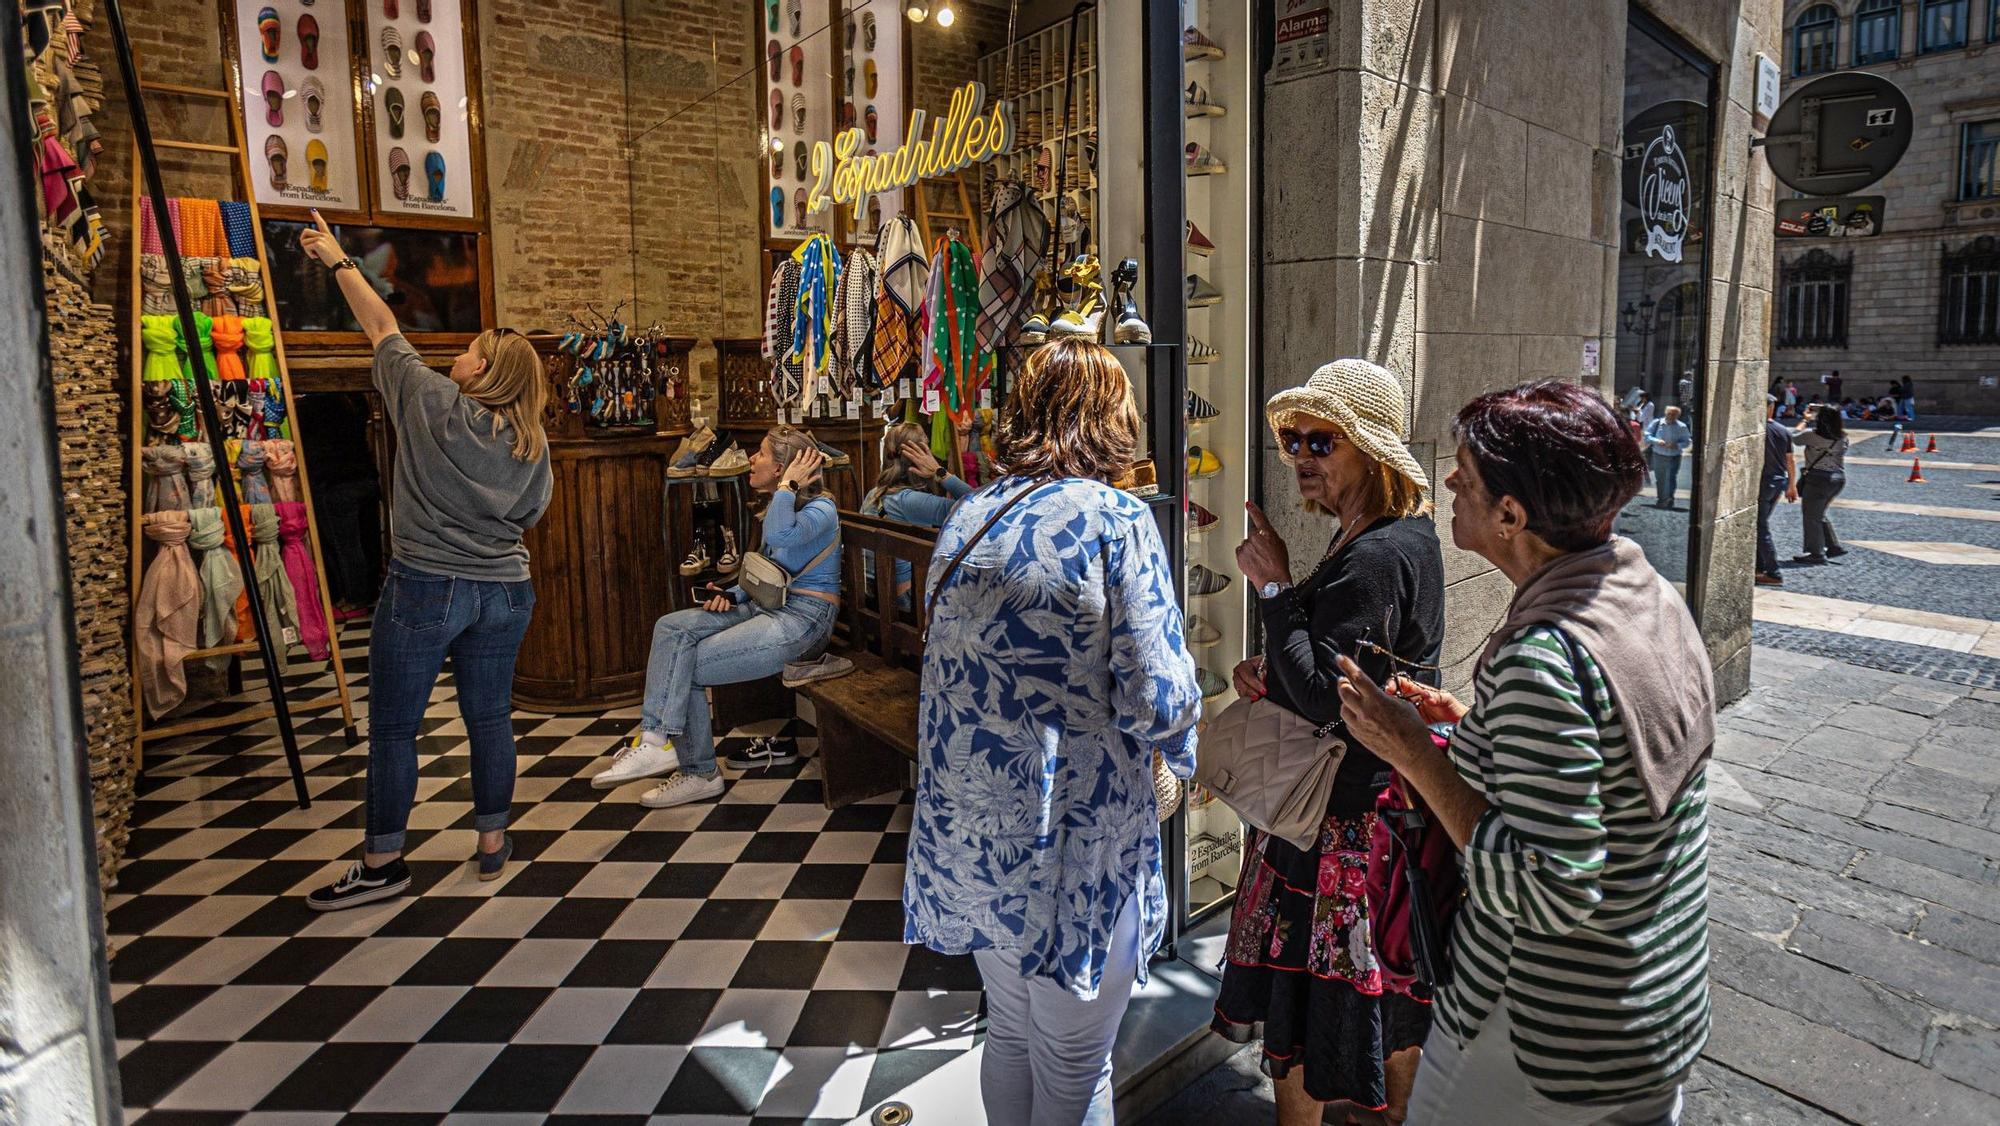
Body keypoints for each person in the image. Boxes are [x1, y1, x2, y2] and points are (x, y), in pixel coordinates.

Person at [1336, 380, 1715, 1125]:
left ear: (1511, 515)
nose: (1447, 480)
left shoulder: (1544, 657)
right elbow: (1603, 769)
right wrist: (1473, 732)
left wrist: (1415, 753)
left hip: (1546, 1037)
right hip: (1652, 1004)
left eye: (1467, 477)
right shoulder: (1643, 591)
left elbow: (1551, 888)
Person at [904, 339, 1203, 1126]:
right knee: (1075, 1063)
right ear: (1110, 419)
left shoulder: (972, 512)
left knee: (1007, 1031)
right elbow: (1161, 695)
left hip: (973, 830)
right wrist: (1181, 762)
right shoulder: (1116, 520)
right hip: (1073, 840)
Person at [1209, 359, 1444, 1126]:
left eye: (1321, 442)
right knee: (1380, 1009)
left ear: (1370, 452)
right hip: (1370, 816)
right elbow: (1339, 667)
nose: (1302, 458)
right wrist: (1272, 665)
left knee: (1313, 1025)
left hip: (1339, 830)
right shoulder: (1390, 536)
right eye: (1293, 442)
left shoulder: (1375, 555)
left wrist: (1275, 589)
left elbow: (1329, 696)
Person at [296, 212, 553, 910]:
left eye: (469, 350)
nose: (458, 356)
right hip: (505, 592)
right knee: (491, 719)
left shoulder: (428, 400)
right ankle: (494, 843)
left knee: (394, 729)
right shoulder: (532, 441)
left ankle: (383, 865)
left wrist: (336, 259)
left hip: (426, 587)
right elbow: (530, 516)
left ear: (485, 370)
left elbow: (382, 326)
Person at [592, 426, 840, 803]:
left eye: (761, 454)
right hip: (766, 606)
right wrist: (732, 593)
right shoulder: (779, 502)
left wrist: (787, 488)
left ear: (782, 469)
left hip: (803, 622)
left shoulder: (822, 508)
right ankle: (656, 739)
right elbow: (769, 568)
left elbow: (785, 537)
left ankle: (699, 772)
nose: (751, 460)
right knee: (671, 627)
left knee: (687, 664)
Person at [859, 420, 975, 604]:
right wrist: (940, 472)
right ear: (921, 458)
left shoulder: (873, 494)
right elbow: (978, 504)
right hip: (904, 602)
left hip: (872, 597)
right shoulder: (909, 501)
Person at [1793, 405, 1849, 566]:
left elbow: (1793, 437)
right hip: (1838, 479)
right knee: (1819, 513)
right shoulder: (1843, 437)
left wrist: (1805, 420)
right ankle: (1833, 546)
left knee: (1811, 517)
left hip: (1818, 479)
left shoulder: (1813, 436)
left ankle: (1816, 554)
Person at [1755, 395, 1797, 586]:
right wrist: (1791, 485)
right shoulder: (1783, 430)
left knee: (1761, 528)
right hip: (1778, 483)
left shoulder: (1757, 430)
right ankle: (1759, 566)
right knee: (1760, 524)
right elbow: (1790, 460)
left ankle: (1774, 572)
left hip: (1763, 483)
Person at [1642, 405, 1692, 509]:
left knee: (1671, 478)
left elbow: (1687, 442)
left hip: (1674, 456)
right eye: (1669, 414)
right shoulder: (1657, 423)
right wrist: (1657, 441)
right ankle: (1661, 499)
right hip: (1658, 455)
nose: (1671, 416)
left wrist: (1677, 445)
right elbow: (1647, 436)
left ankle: (1669, 499)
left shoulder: (1681, 426)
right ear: (1665, 413)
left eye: (1674, 415)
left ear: (1678, 416)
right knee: (1660, 478)